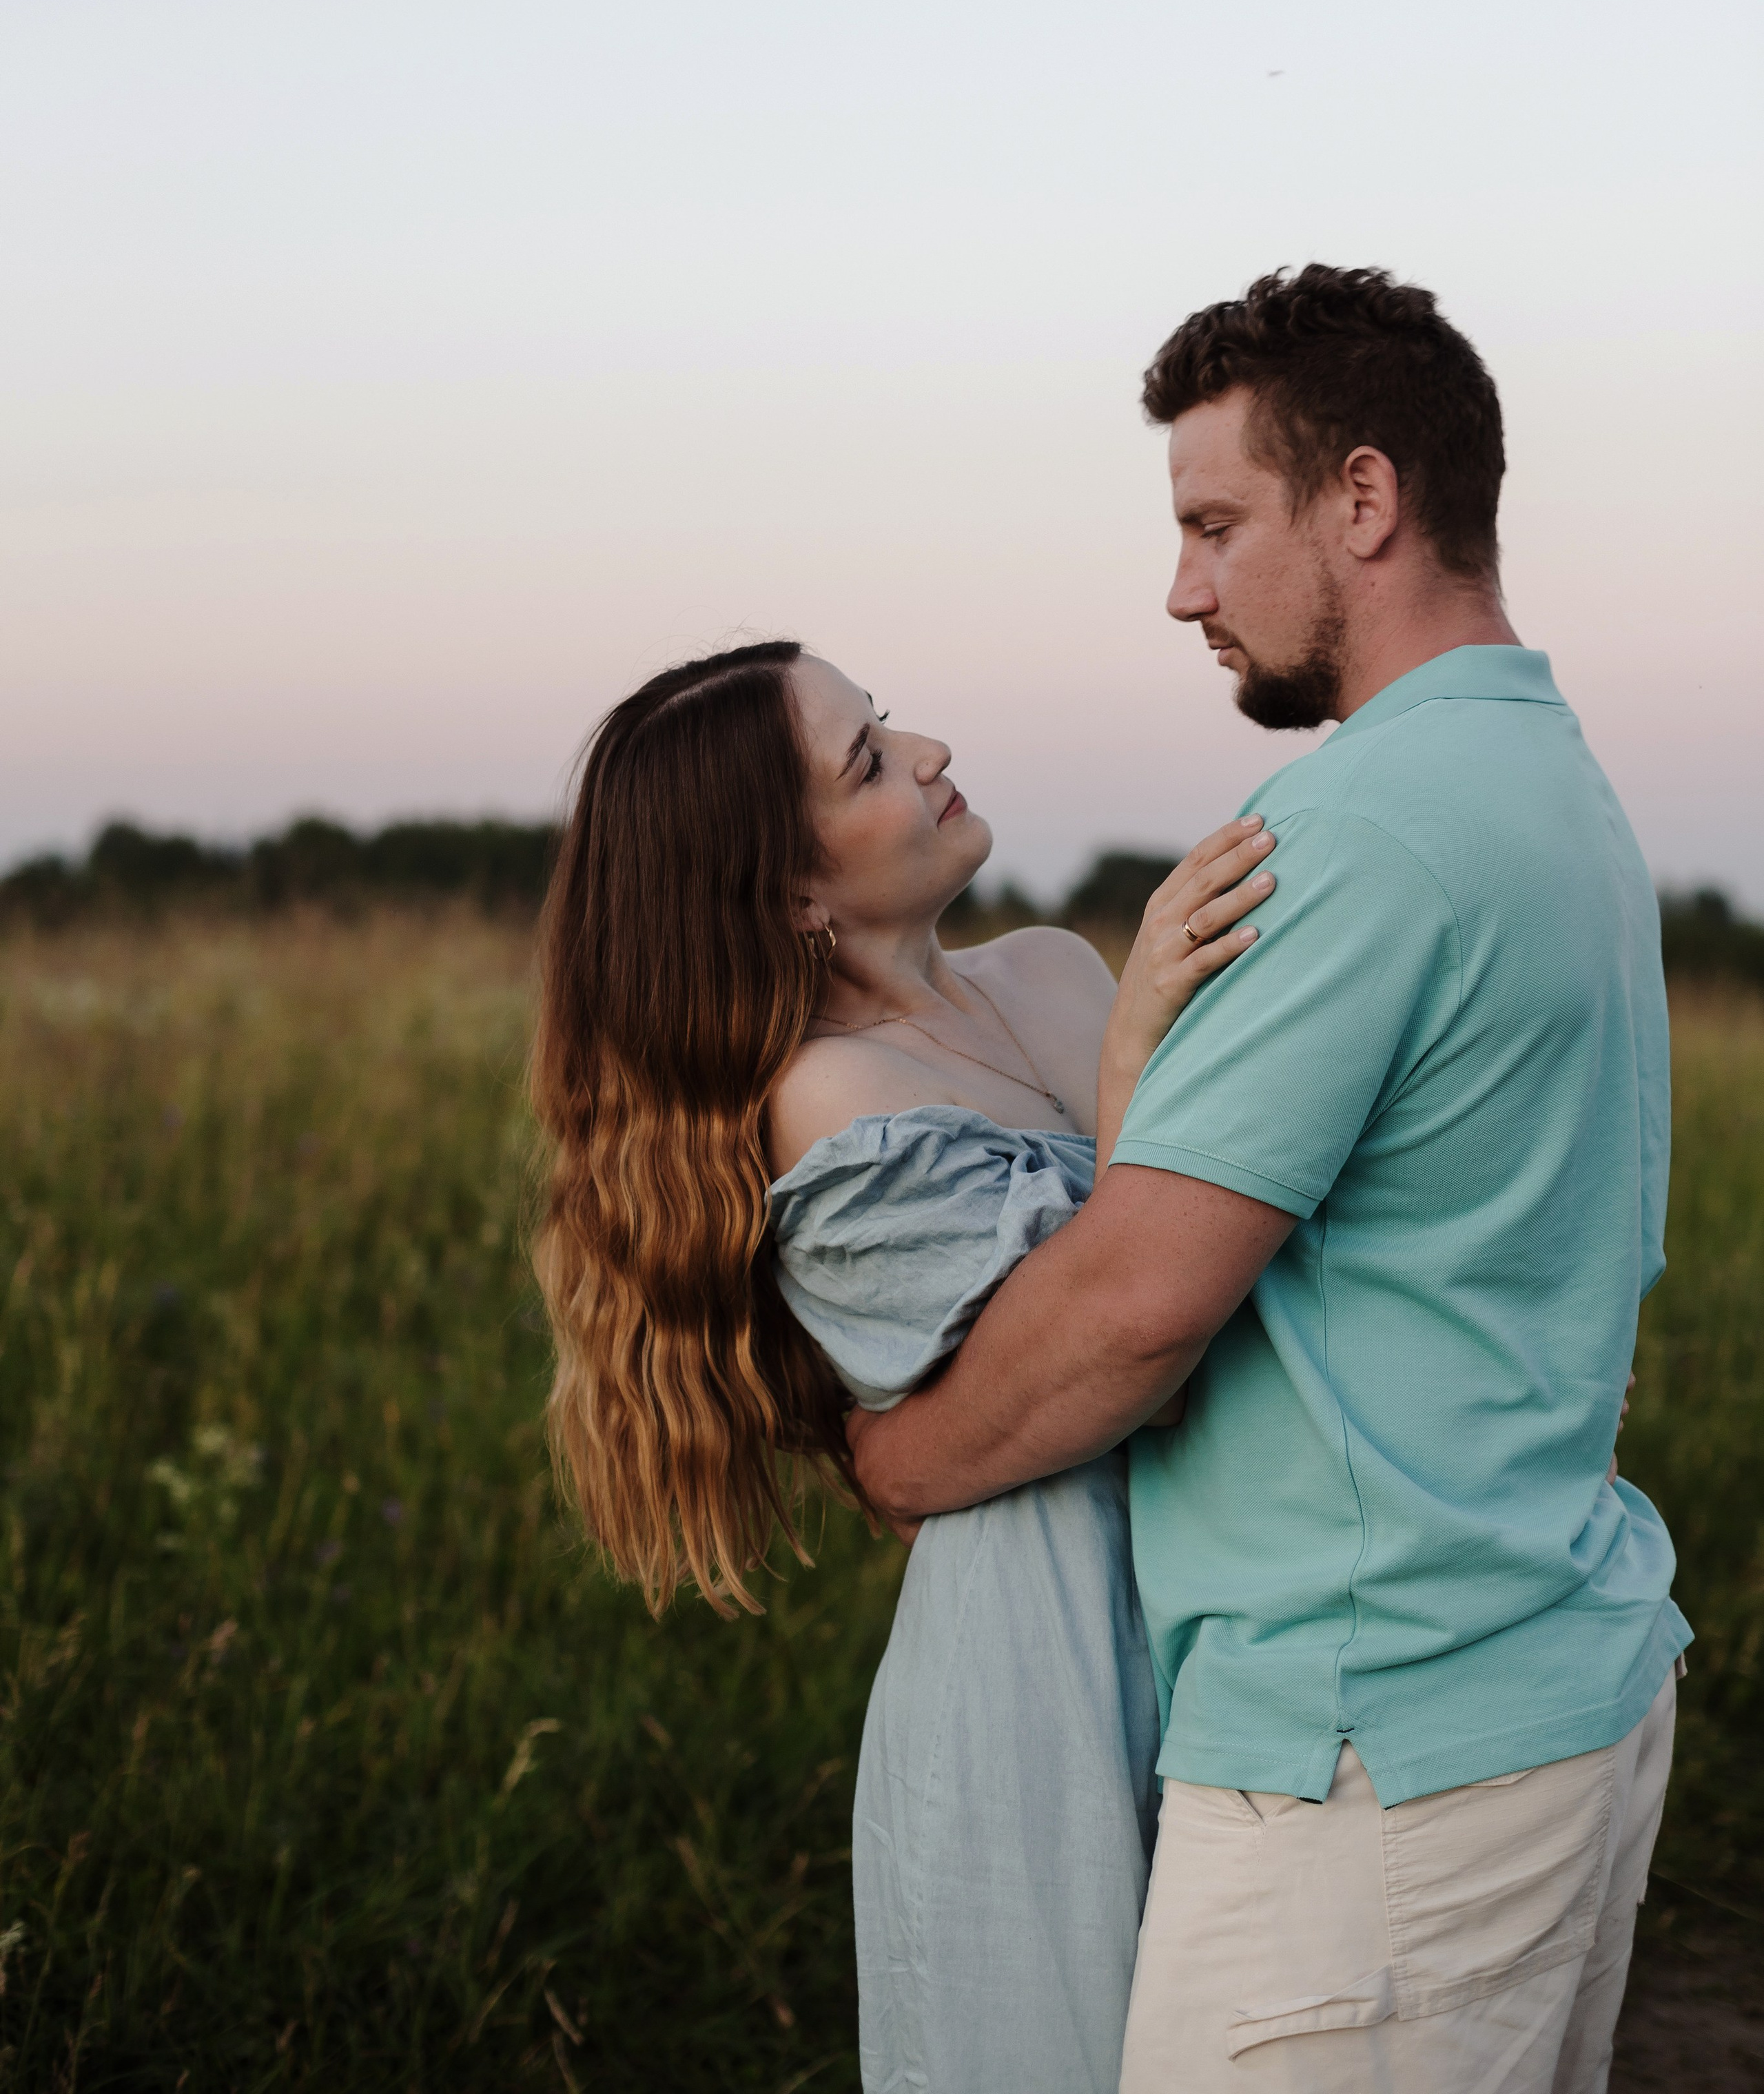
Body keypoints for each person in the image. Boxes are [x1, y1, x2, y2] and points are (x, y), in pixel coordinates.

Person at [850, 263, 1689, 2094]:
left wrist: (900, 1456)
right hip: (1547, 1672)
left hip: (1377, 1763)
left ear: (1366, 501)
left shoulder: (1353, 827)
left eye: (1216, 523)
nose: (1183, 588)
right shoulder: (1546, 776)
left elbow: (1139, 1304)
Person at [527, 639, 1278, 2093]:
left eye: (883, 723)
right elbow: (1133, 1352)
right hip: (1050, 1662)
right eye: (866, 761)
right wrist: (1135, 1062)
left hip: (1242, 1594)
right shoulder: (830, 1106)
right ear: (790, 892)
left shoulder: (1055, 972)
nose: (928, 750)